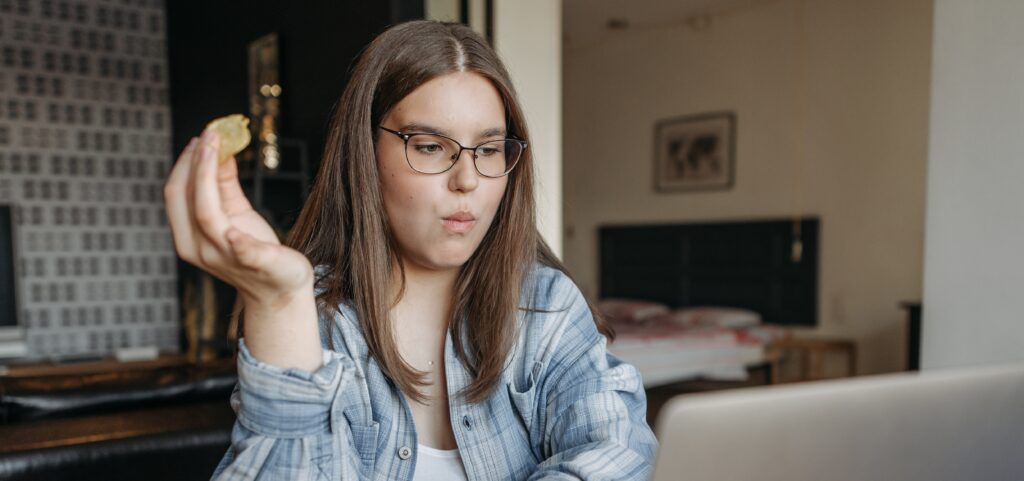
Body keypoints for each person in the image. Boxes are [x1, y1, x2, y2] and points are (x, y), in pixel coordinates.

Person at [163, 20, 658, 481]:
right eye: (428, 146)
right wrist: (278, 302)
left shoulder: (545, 306)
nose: (467, 180)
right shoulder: (314, 323)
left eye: (488, 150)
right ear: (364, 151)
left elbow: (617, 449)